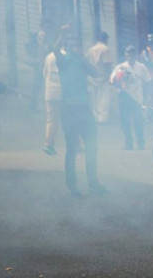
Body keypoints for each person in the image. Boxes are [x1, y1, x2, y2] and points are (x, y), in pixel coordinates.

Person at [53, 25, 107, 196]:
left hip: (84, 108)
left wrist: (83, 57)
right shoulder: (64, 60)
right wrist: (62, 35)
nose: (76, 48)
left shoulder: (80, 60)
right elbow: (54, 50)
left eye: (78, 45)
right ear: (67, 47)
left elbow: (96, 72)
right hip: (69, 109)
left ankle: (93, 182)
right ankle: (72, 185)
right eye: (72, 45)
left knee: (92, 146)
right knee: (72, 148)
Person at [110, 46, 151, 150]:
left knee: (138, 121)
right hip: (124, 96)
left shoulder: (141, 67)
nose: (130, 56)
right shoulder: (120, 67)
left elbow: (146, 83)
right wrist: (118, 79)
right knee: (125, 121)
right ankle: (129, 143)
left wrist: (145, 99)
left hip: (137, 98)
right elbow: (112, 81)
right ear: (125, 55)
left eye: (133, 53)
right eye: (128, 53)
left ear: (136, 55)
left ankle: (141, 143)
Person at [86, 32, 114, 123]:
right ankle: (102, 118)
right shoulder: (106, 49)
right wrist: (110, 75)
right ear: (105, 39)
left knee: (94, 98)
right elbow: (107, 64)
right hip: (104, 77)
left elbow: (88, 62)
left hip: (92, 77)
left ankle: (95, 117)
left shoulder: (91, 49)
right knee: (104, 98)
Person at [42, 51, 61, 156]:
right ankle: (77, 145)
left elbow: (44, 73)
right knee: (71, 119)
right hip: (62, 93)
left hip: (49, 93)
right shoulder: (65, 57)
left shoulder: (49, 56)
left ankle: (48, 144)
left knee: (51, 120)